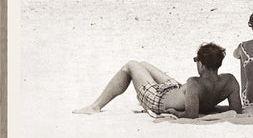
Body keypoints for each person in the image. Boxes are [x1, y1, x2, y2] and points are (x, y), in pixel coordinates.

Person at [73, 43, 242, 119]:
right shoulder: (230, 81)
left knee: (131, 65)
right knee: (144, 64)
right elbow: (236, 109)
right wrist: (212, 106)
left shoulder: (194, 82)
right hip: (177, 89)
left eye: (196, 60)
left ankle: (95, 107)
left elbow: (190, 115)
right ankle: (96, 106)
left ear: (202, 65)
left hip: (159, 100)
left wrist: (174, 113)